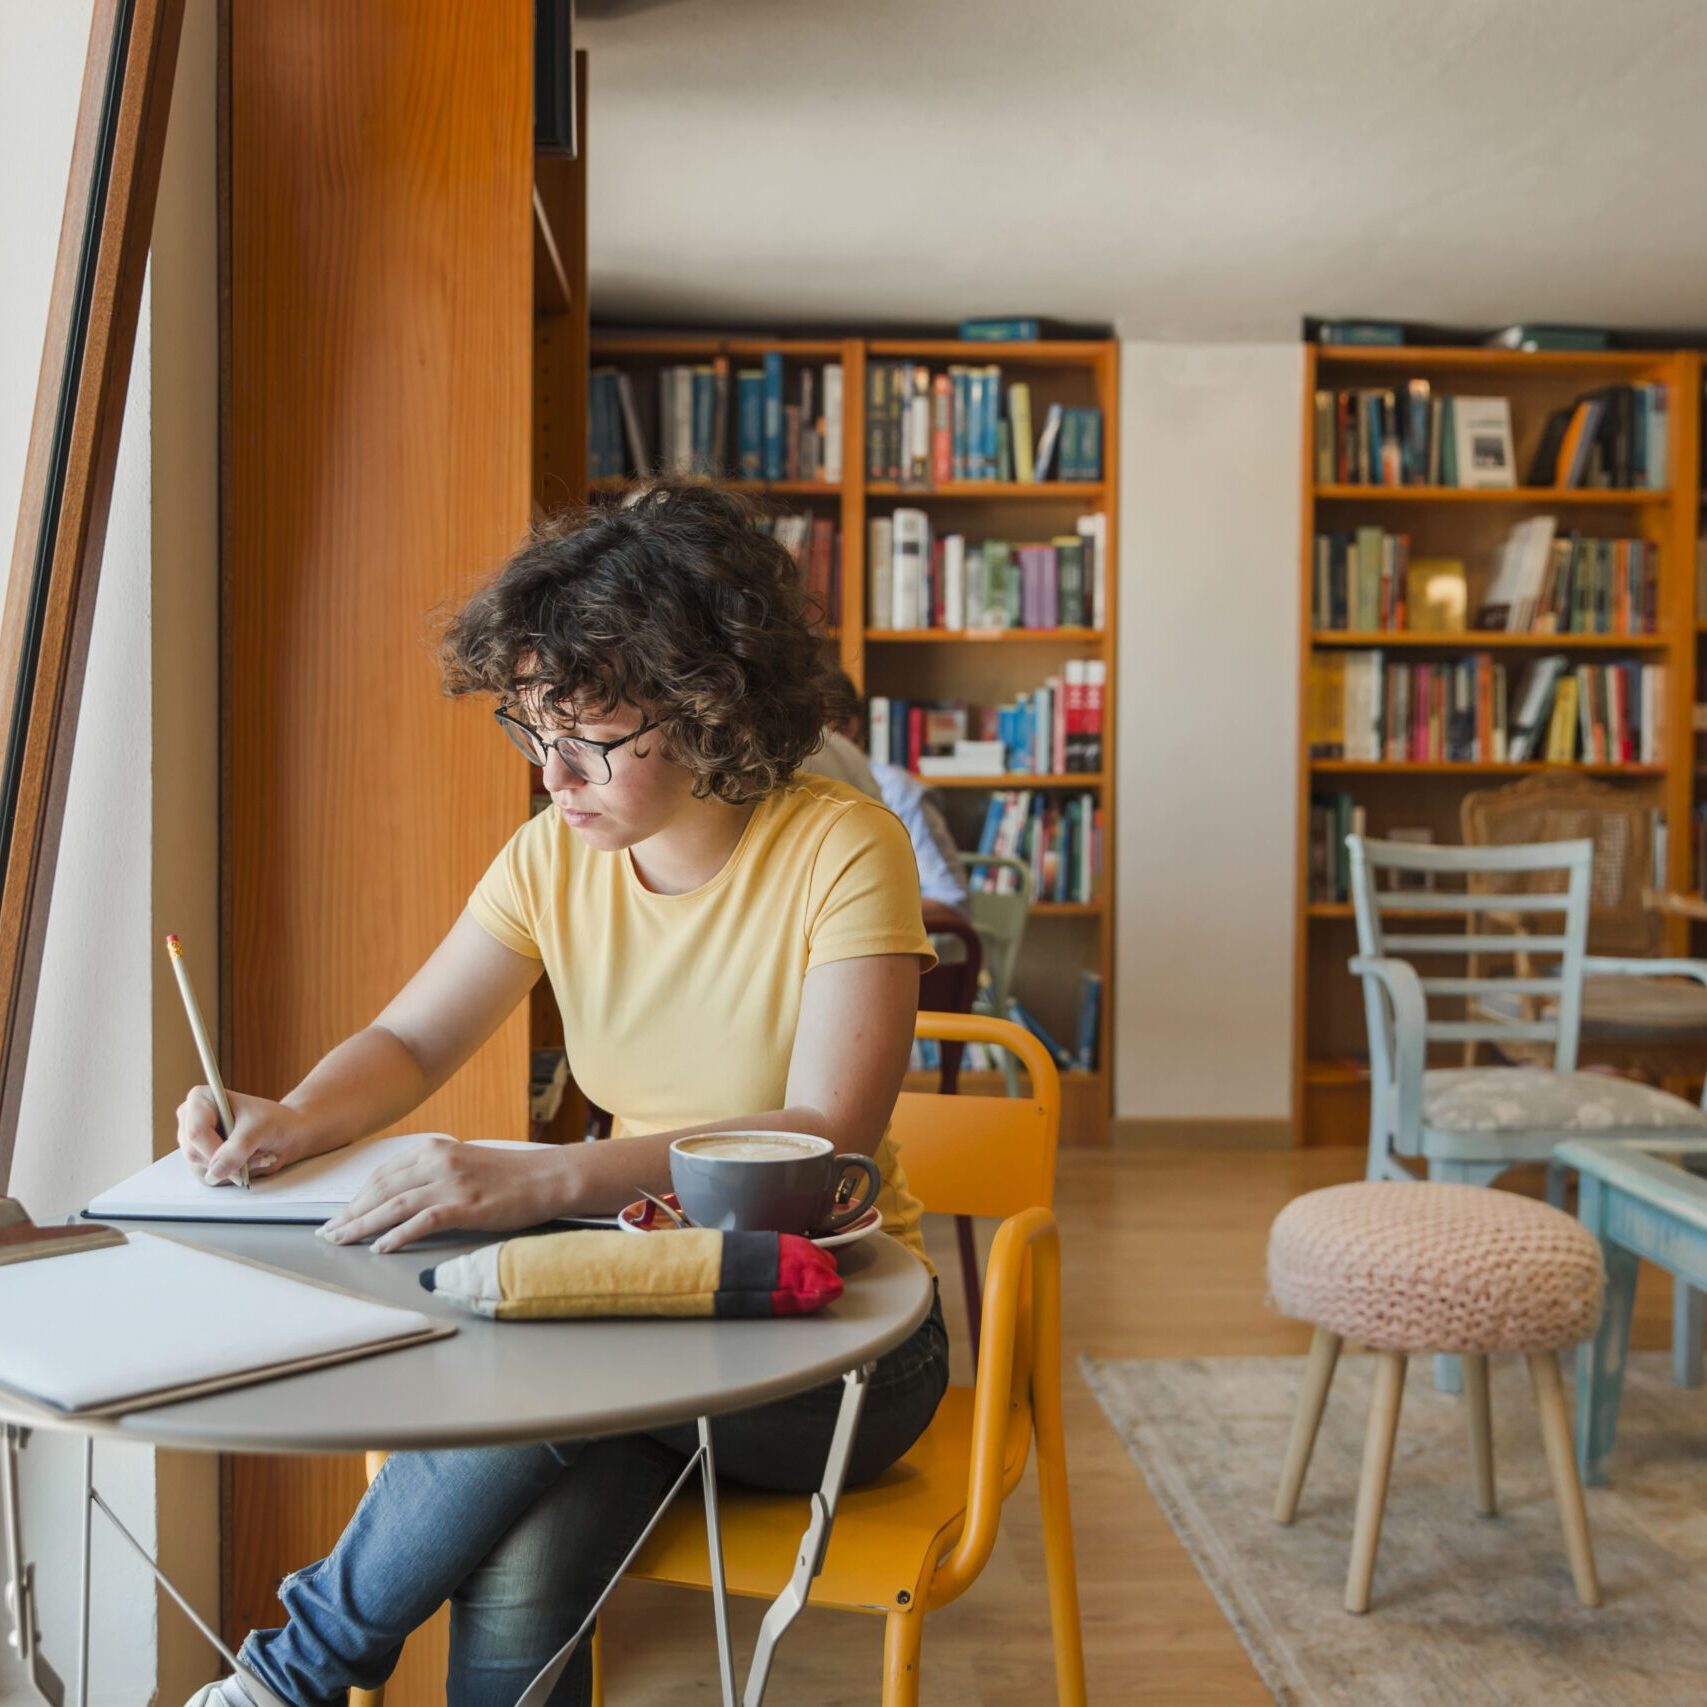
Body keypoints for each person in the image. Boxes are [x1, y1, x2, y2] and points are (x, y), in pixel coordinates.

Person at [179, 483, 948, 1707]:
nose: (552, 778)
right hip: (637, 1308)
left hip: (839, 1341)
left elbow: (817, 1139)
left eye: (585, 742)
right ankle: (288, 1682)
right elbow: (409, 1039)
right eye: (532, 733)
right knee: (531, 1555)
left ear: (709, 706)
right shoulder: (552, 857)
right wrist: (292, 1118)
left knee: (546, 1369)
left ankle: (289, 1677)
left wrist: (552, 1178)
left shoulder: (846, 847)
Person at [812, 673, 969, 916]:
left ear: (850, 726)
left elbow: (951, 902)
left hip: (912, 940)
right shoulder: (806, 791)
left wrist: (859, 912)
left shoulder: (897, 790)